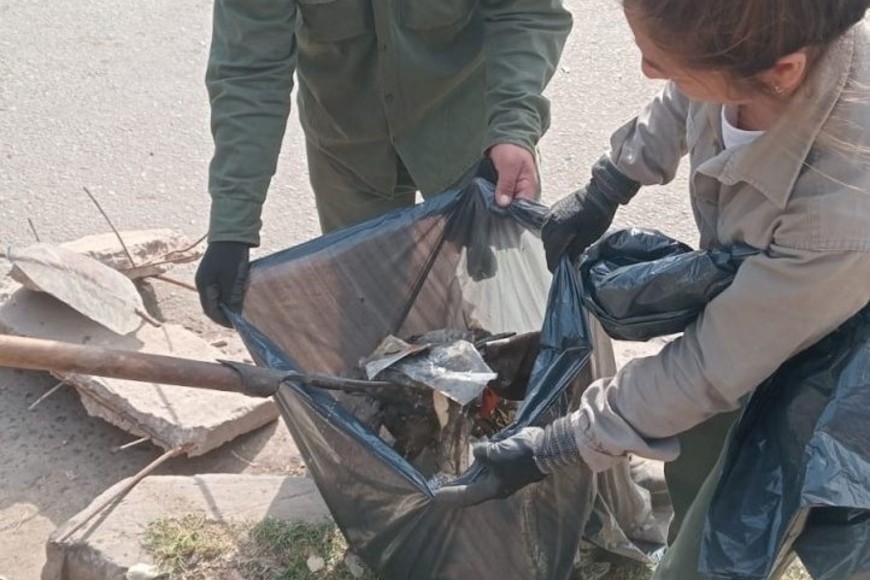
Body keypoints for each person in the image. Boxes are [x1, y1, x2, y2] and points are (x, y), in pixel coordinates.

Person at [441, 0, 870, 577]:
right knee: (697, 442)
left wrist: (561, 443)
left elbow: (710, 365)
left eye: (663, 61)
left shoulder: (840, 211)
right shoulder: (756, 53)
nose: (647, 70)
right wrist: (612, 180)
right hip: (762, 307)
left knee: (752, 529)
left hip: (840, 359)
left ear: (783, 71)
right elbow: (685, 95)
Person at [194, 0, 573, 327]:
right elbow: (250, 70)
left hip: (472, 142)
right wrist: (232, 227)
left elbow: (527, 13)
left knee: (505, 323)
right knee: (371, 330)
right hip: (350, 152)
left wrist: (513, 130)